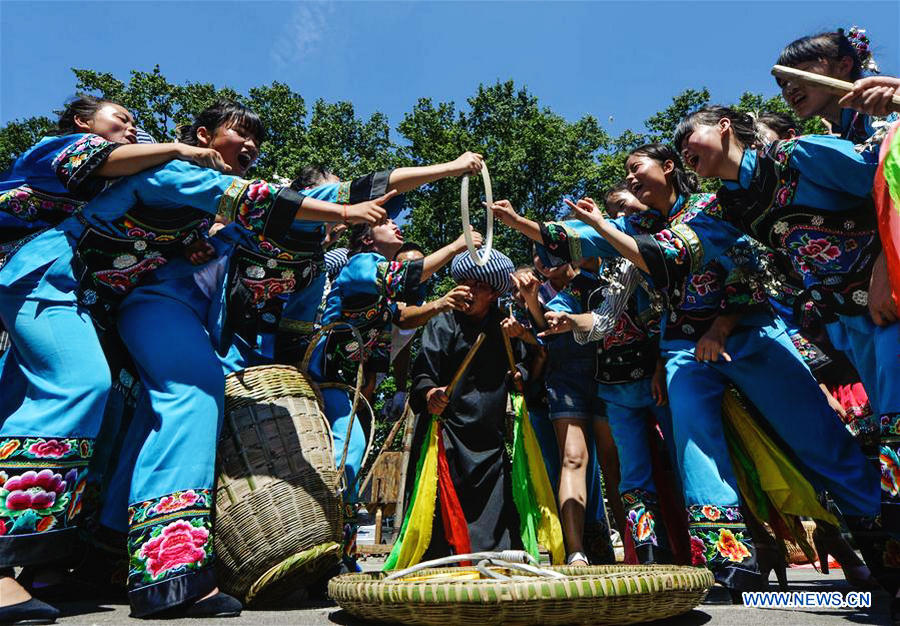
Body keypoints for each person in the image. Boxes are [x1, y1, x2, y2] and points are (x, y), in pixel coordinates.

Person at [492, 143, 879, 597]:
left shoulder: (712, 207)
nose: (631, 180)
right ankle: (729, 565)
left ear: (669, 167)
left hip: (748, 332)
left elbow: (745, 273)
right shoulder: (633, 230)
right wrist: (521, 224)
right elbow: (591, 249)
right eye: (627, 175)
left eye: (637, 169)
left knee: (814, 438)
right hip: (679, 348)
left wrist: (718, 328)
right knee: (695, 451)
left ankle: (879, 538)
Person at [0, 96, 236, 624]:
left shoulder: (131, 185)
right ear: (83, 123)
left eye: (134, 122)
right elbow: (97, 165)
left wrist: (190, 245)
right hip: (39, 282)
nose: (131, 127)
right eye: (119, 118)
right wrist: (176, 148)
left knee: (83, 413)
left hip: (85, 305)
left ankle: (78, 565)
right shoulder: (60, 150)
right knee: (78, 388)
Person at [675, 105, 899, 606]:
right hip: (849, 327)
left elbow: (888, 172)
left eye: (688, 135)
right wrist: (580, 233)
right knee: (877, 438)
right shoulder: (722, 210)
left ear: (724, 126)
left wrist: (887, 262)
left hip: (890, 303)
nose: (683, 149)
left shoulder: (796, 156)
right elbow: (668, 251)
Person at [406, 249, 523, 557]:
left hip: (490, 438)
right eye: (466, 281)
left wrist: (523, 375)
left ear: (495, 293)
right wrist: (431, 394)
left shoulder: (506, 327)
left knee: (495, 528)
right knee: (441, 516)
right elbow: (422, 375)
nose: (470, 289)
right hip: (447, 431)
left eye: (481, 285)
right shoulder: (443, 322)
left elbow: (524, 373)